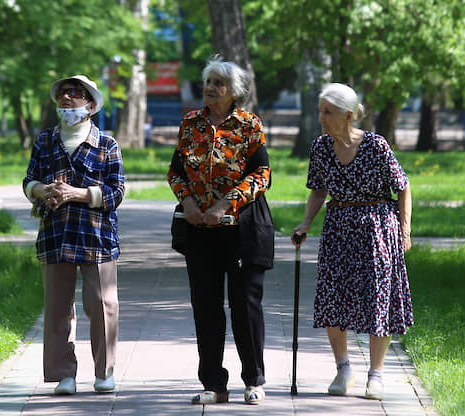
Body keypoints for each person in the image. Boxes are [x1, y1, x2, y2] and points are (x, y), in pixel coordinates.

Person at [290, 82, 413, 401]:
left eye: (327, 112)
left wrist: (405, 230)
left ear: (347, 116)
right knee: (333, 298)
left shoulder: (376, 145)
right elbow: (318, 190)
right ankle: (343, 370)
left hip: (377, 229)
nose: (322, 118)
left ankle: (376, 375)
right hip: (338, 228)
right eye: (320, 112)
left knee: (377, 299)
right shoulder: (320, 148)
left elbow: (402, 186)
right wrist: (306, 223)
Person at [167, 58, 272, 406]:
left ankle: (254, 381)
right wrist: (190, 205)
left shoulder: (248, 125)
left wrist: (225, 204)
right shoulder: (190, 124)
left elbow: (262, 175)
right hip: (199, 230)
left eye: (219, 83)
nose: (210, 88)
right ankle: (214, 384)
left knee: (244, 307)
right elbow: (175, 173)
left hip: (240, 229)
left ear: (234, 91)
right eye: (208, 81)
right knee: (206, 308)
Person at [22, 74, 125, 396]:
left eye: (75, 93)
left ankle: (104, 373)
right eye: (62, 94)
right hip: (55, 234)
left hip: (96, 236)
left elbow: (117, 191)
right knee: (57, 308)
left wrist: (77, 194)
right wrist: (42, 189)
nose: (67, 98)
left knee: (102, 304)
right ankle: (63, 375)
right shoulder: (45, 141)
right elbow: (28, 181)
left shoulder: (107, 144)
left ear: (90, 105)